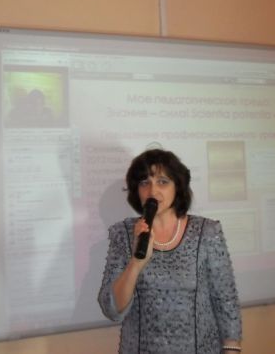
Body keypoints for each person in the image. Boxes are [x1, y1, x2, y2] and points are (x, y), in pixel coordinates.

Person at [98, 148, 242, 354]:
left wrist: (231, 349)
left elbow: (226, 301)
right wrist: (136, 264)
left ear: (178, 186)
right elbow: (112, 309)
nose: (152, 191)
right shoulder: (123, 234)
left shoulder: (207, 232)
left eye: (162, 181)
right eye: (144, 182)